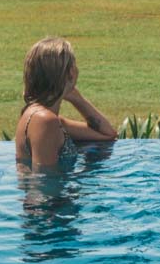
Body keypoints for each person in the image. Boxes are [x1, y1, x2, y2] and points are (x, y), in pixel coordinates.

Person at [15, 36, 117, 172]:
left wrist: (77, 98)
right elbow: (45, 183)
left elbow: (108, 134)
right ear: (70, 73)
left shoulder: (48, 119)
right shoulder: (45, 121)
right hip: (56, 194)